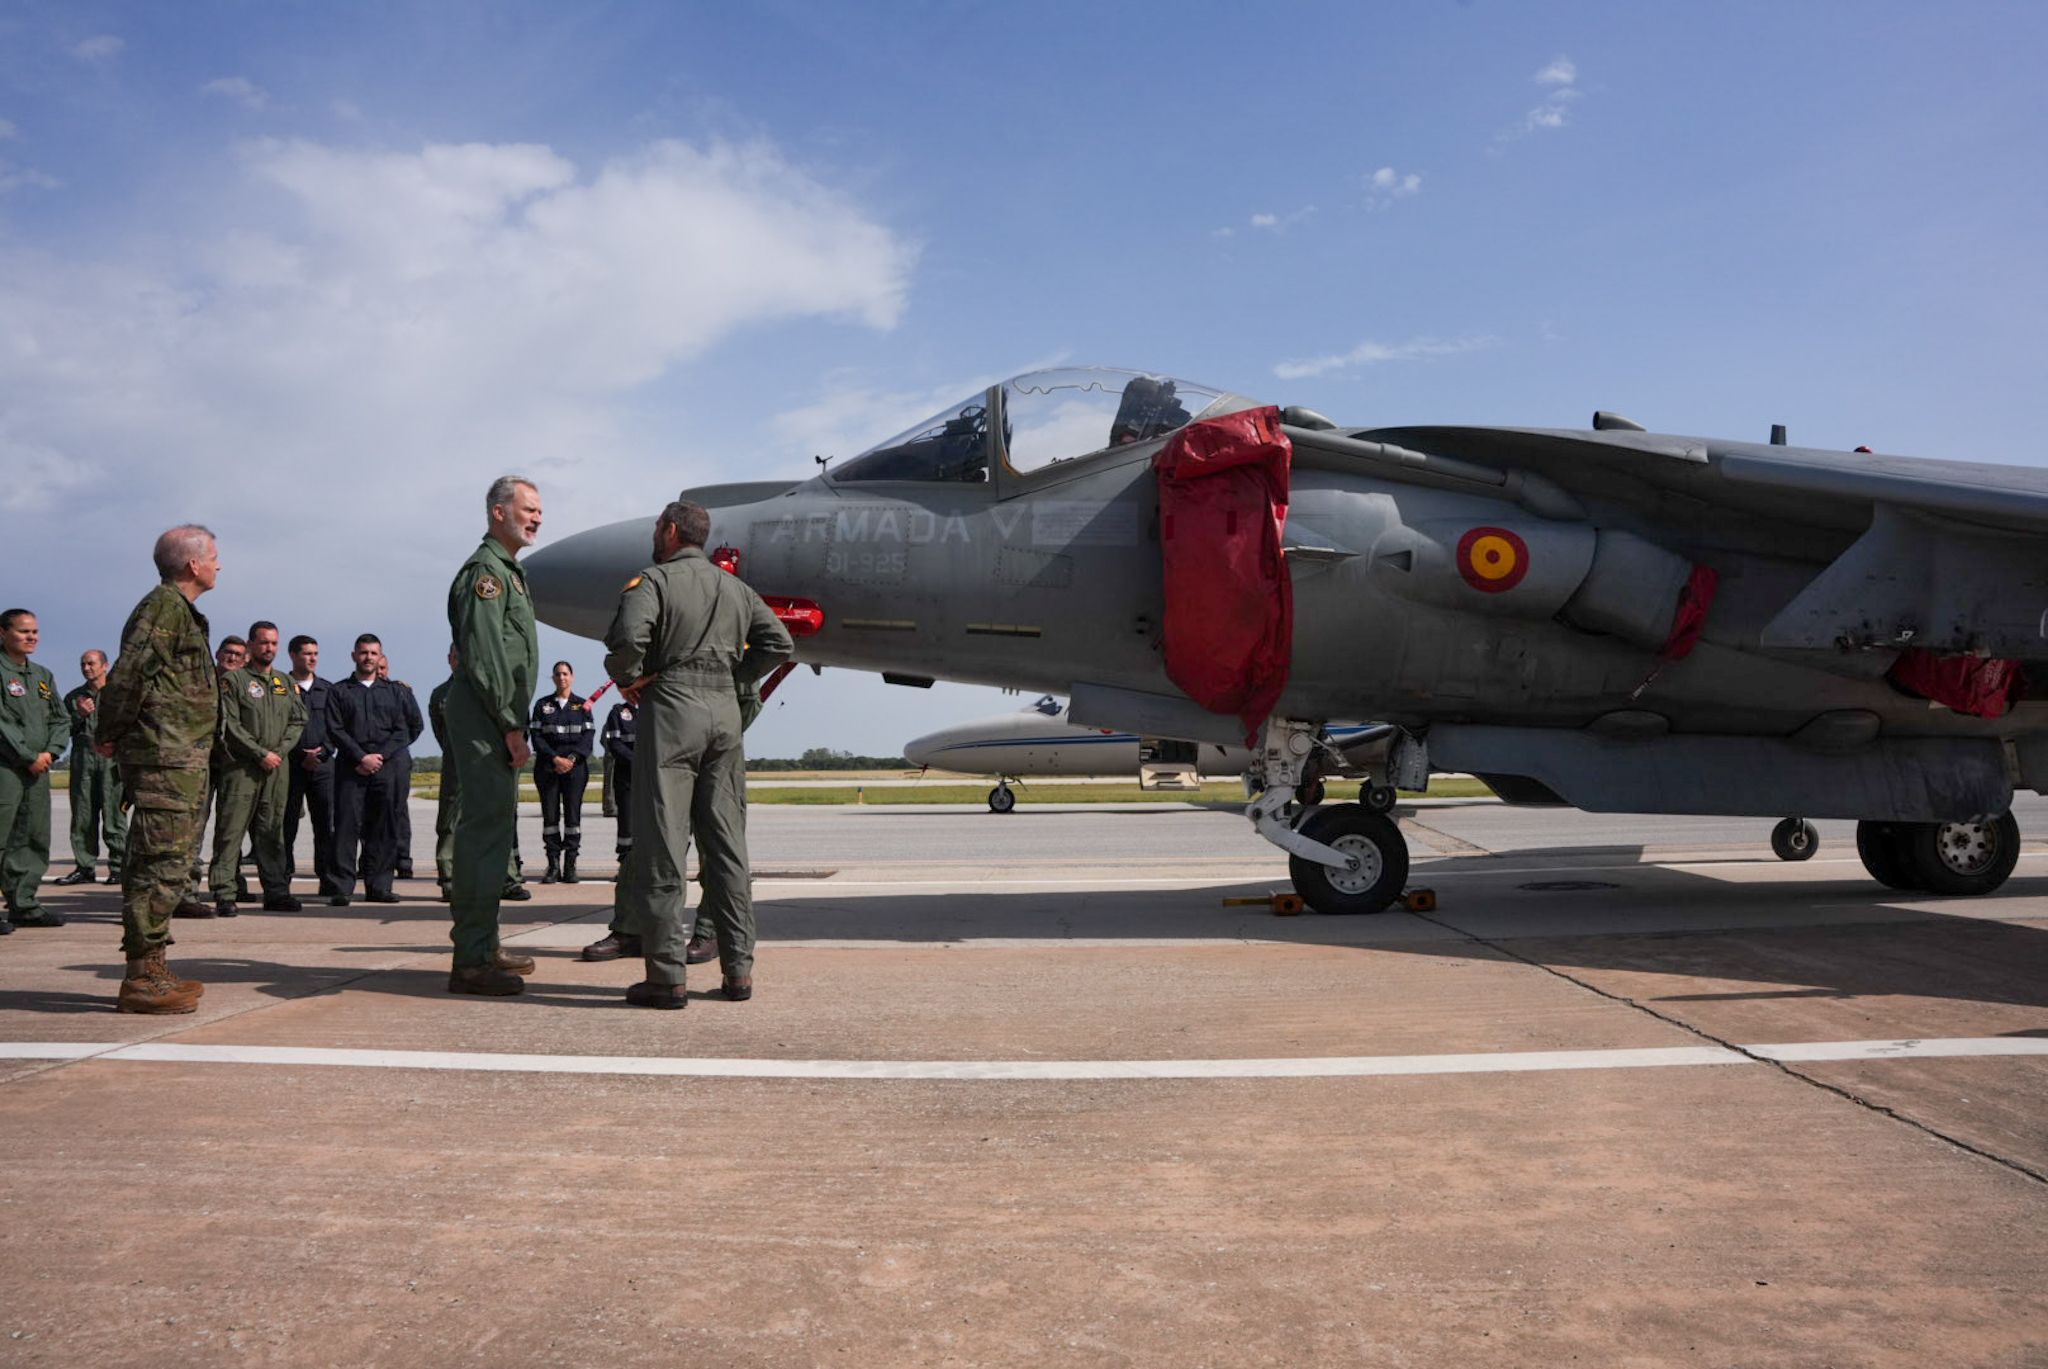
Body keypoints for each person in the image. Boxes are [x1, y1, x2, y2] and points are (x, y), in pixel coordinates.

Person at [601, 499, 793, 1009]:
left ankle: (667, 978)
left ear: (668, 530)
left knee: (664, 843)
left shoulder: (654, 582)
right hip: (724, 717)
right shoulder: (736, 588)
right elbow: (779, 641)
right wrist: (735, 681)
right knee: (727, 846)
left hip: (672, 712)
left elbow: (626, 639)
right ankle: (738, 972)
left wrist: (627, 677)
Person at [94, 525, 221, 1012]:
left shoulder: (179, 612)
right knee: (155, 867)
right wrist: (109, 732)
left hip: (181, 759)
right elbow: (128, 675)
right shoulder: (163, 608)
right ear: (193, 564)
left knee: (169, 866)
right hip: (164, 760)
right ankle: (142, 979)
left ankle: (152, 967)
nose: (218, 564)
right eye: (213, 556)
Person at [443, 476, 543, 996]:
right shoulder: (488, 574)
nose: (537, 518)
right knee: (483, 835)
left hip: (494, 713)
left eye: (539, 510)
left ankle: (484, 944)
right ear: (498, 512)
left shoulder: (510, 573)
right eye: (528, 509)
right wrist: (509, 724)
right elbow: (485, 658)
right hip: (487, 715)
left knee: (494, 834)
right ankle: (471, 962)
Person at [207, 621, 306, 916]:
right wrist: (259, 753)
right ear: (251, 646)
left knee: (272, 831)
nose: (270, 648)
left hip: (277, 769)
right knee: (231, 831)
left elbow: (298, 720)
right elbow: (230, 725)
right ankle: (225, 891)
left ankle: (276, 890)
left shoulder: (284, 683)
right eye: (264, 643)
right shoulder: (234, 682)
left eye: (274, 643)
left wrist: (279, 752)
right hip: (242, 769)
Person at [325, 634, 422, 906]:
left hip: (385, 768)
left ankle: (379, 885)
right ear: (354, 656)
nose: (368, 657)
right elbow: (335, 728)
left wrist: (380, 756)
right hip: (350, 768)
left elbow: (404, 730)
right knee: (346, 827)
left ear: (381, 657)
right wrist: (360, 756)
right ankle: (342, 887)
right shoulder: (339, 691)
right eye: (364, 652)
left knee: (384, 827)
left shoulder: (395, 692)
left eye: (373, 653)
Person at [429, 645, 529, 905]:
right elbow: (440, 731)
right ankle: (449, 879)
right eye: (456, 656)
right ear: (450, 659)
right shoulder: (441, 693)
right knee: (450, 820)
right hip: (457, 763)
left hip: (493, 762)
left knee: (499, 818)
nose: (461, 660)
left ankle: (508, 879)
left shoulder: (495, 689)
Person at [0, 609, 70, 933]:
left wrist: (51, 752)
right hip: (7, 767)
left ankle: (24, 904)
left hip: (38, 768)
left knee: (33, 836)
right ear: (3, 633)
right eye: (24, 632)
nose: (32, 638)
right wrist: (28, 755)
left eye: (36, 632)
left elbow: (60, 718)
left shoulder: (42, 675)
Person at [181, 635, 247, 915]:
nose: (232, 658)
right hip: (203, 763)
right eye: (228, 652)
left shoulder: (246, 685)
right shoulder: (200, 682)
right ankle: (187, 891)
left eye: (238, 655)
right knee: (193, 828)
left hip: (234, 764)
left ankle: (226, 888)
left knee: (230, 832)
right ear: (218, 654)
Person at [56, 648, 127, 886]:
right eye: (83, 664)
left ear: (104, 666)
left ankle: (118, 866)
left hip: (111, 761)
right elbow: (62, 730)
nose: (87, 668)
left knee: (114, 815)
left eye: (91, 664)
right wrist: (78, 714)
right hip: (83, 759)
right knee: (83, 816)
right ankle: (84, 866)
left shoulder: (118, 694)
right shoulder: (74, 697)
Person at [283, 635, 339, 896]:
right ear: (293, 655)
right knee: (286, 825)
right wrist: (298, 754)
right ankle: (281, 879)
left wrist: (324, 751)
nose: (312, 658)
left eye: (315, 653)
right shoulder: (280, 687)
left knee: (325, 826)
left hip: (323, 767)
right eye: (306, 653)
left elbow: (337, 727)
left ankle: (327, 879)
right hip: (290, 767)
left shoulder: (329, 690)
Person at [529, 660, 594, 883]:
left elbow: (588, 740)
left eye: (565, 674)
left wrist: (572, 760)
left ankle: (571, 865)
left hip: (575, 770)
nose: (562, 678)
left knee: (573, 818)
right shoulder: (542, 705)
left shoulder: (583, 706)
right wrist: (555, 758)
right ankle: (553, 864)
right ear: (553, 678)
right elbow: (536, 738)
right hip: (548, 768)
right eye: (557, 674)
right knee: (550, 817)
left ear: (572, 677)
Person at [377, 657, 422, 880]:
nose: (380, 672)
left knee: (398, 811)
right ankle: (369, 861)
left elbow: (416, 725)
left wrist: (397, 749)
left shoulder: (401, 692)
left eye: (383, 668)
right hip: (368, 760)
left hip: (396, 760)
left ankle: (403, 860)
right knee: (369, 812)